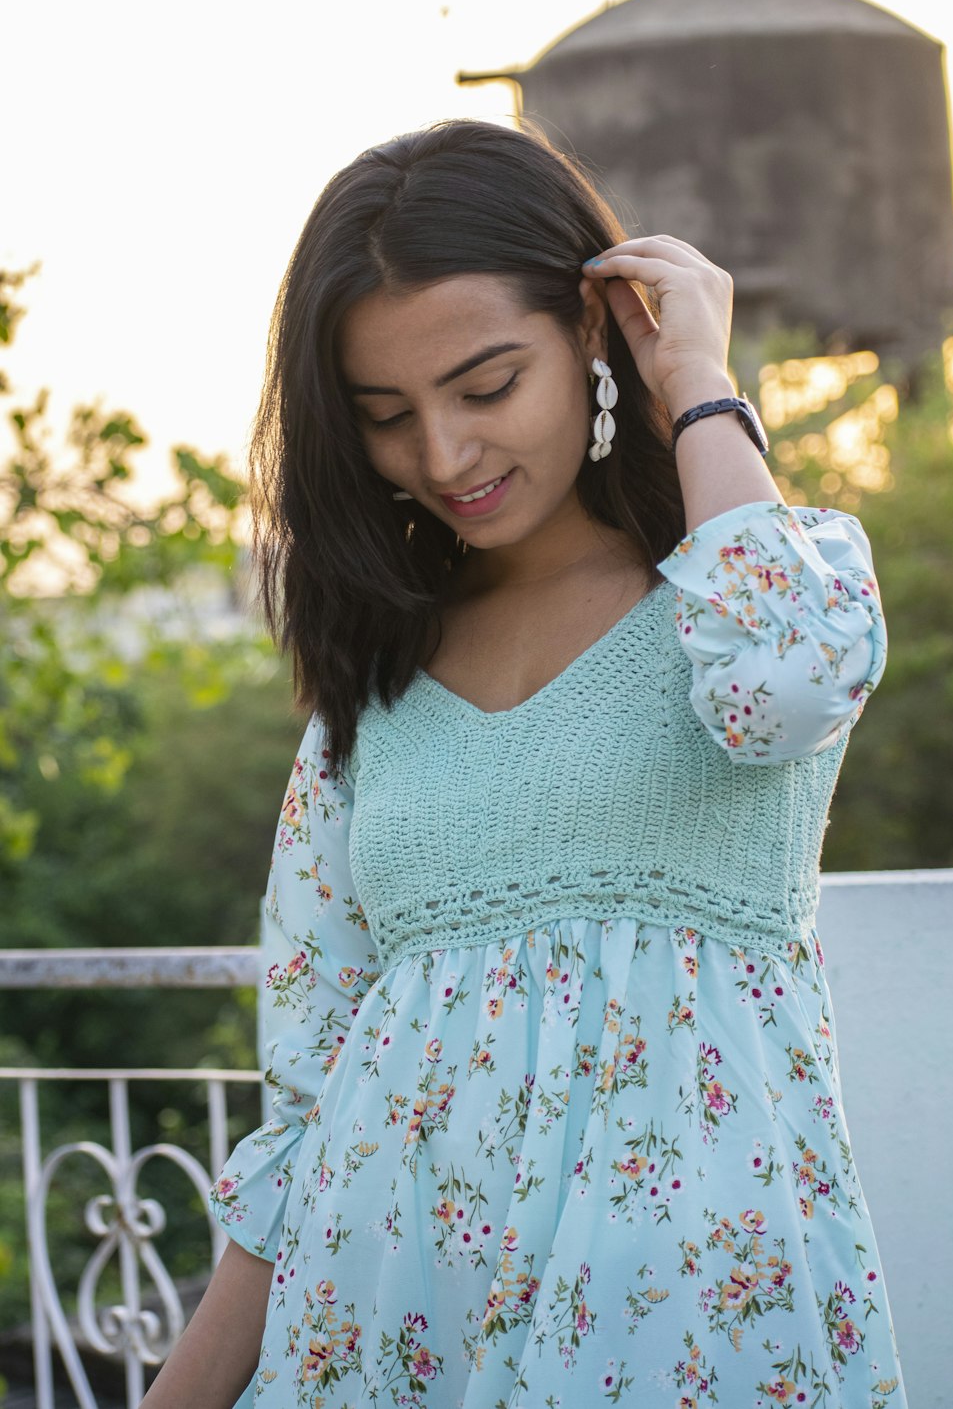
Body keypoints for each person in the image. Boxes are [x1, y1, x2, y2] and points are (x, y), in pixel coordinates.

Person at [142, 119, 908, 1407]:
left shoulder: (749, 591)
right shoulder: (369, 688)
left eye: (486, 387)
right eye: (388, 417)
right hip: (390, 1326)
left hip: (681, 1321)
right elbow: (306, 1114)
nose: (444, 459)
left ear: (595, 335)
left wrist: (702, 384)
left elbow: (787, 686)